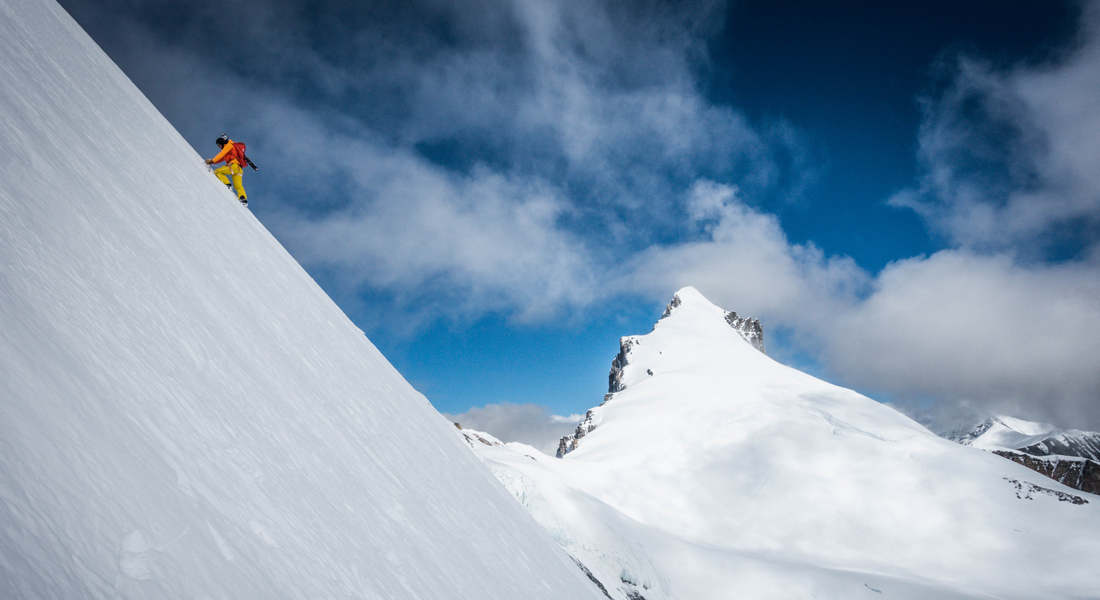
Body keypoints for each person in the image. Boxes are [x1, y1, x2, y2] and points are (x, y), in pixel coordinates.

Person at [205, 134, 248, 206]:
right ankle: (243, 199)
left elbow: (221, 154)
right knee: (238, 186)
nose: (219, 147)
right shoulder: (229, 150)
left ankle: (227, 185)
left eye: (219, 145)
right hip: (239, 169)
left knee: (217, 171)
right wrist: (212, 162)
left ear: (222, 143)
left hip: (234, 166)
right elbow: (221, 158)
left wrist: (212, 161)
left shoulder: (228, 145)